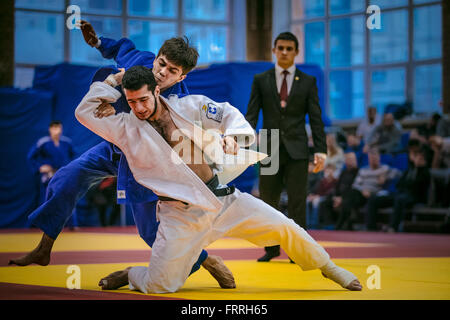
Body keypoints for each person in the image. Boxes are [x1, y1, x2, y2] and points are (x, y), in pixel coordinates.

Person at [75, 65, 362, 293]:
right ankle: (133, 274)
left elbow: (226, 112)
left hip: (223, 199)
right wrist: (114, 80)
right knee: (159, 286)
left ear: (157, 90)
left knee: (285, 225)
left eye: (143, 99)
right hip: (179, 215)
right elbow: (84, 112)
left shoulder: (188, 106)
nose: (138, 108)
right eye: (132, 101)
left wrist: (233, 137)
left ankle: (328, 266)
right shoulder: (126, 127)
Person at [9, 22, 235, 289]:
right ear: (157, 55)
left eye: (172, 71)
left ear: (181, 77)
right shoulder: (140, 61)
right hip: (114, 150)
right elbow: (121, 48)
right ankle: (44, 247)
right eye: (162, 63)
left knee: (150, 232)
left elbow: (189, 143)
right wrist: (97, 43)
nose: (162, 72)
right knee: (66, 178)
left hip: (148, 163)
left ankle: (207, 260)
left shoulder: (181, 105)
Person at [245, 31, 327, 262]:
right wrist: (245, 137)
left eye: (289, 49)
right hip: (269, 144)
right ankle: (271, 248)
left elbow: (316, 117)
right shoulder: (261, 79)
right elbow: (252, 113)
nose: (284, 52)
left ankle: (297, 251)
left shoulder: (308, 81)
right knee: (269, 200)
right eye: (280, 48)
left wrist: (320, 150)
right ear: (274, 50)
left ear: (296, 52)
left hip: (298, 148)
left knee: (297, 200)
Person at [366, 145, 431, 232]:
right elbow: (399, 184)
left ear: (424, 161)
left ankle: (393, 227)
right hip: (400, 194)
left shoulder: (425, 172)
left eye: (420, 158)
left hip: (413, 196)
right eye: (417, 157)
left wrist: (419, 169)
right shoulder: (409, 170)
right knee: (373, 199)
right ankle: (371, 227)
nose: (418, 160)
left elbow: (417, 186)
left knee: (399, 199)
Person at [336, 148, 399, 230]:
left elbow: (399, 174)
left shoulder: (384, 168)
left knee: (350, 199)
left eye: (375, 158)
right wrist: (363, 190)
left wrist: (385, 177)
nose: (373, 160)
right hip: (362, 193)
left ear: (379, 158)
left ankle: (343, 225)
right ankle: (346, 223)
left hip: (375, 193)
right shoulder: (363, 170)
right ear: (368, 159)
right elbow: (356, 184)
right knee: (350, 194)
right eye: (371, 158)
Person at [28, 121, 75, 205]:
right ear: (50, 129)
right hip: (49, 176)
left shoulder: (67, 142)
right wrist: (39, 167)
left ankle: (67, 217)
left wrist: (70, 168)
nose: (57, 130)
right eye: (54, 128)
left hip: (64, 175)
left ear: (61, 129)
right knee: (47, 201)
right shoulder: (43, 142)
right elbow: (31, 157)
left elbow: (73, 156)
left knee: (66, 201)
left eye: (59, 128)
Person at [318, 152, 360, 229]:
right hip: (339, 196)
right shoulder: (343, 172)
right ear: (346, 161)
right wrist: (335, 197)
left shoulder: (358, 172)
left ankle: (339, 227)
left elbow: (354, 188)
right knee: (325, 202)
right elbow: (336, 187)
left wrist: (342, 198)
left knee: (347, 202)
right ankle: (328, 224)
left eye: (353, 159)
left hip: (350, 197)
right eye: (350, 159)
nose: (352, 161)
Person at [306, 164, 337, 229]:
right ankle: (307, 222)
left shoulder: (335, 181)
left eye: (330, 170)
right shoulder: (322, 180)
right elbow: (317, 190)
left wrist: (317, 196)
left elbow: (331, 192)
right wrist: (312, 195)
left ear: (334, 171)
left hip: (328, 197)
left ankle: (314, 223)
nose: (329, 172)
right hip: (318, 196)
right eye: (327, 170)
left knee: (316, 201)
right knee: (307, 200)